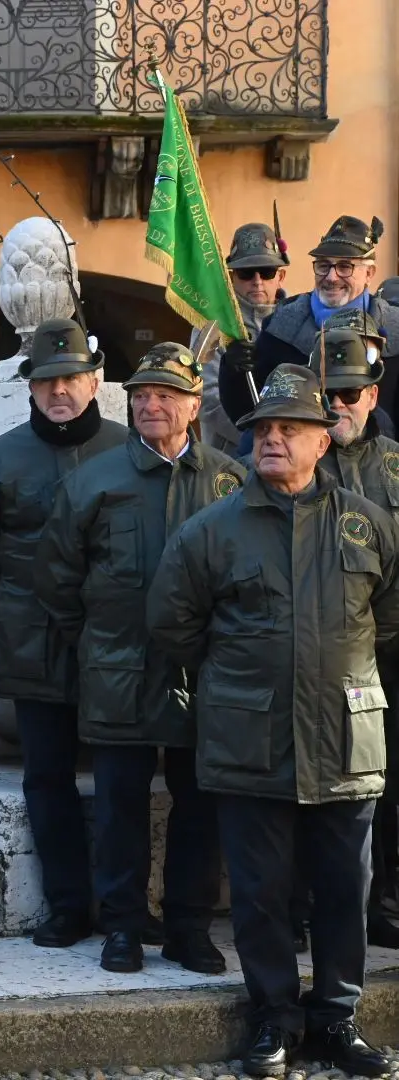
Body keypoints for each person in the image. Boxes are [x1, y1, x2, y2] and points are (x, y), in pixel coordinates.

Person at [148, 363, 399, 1079]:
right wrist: (247, 679)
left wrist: (327, 666)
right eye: (263, 429)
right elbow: (173, 626)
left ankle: (338, 1019)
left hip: (344, 740)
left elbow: (390, 617)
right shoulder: (211, 531)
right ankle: (274, 1019)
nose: (272, 441)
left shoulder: (369, 525)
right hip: (248, 738)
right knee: (260, 895)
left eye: (290, 429)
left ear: (325, 441)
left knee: (345, 891)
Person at [35, 344, 242, 975]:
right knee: (121, 804)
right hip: (118, 672)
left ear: (192, 404)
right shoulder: (94, 480)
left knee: (201, 804)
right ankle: (121, 927)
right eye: (142, 396)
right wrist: (97, 640)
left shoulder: (229, 480)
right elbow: (56, 576)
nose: (151, 405)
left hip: (205, 676)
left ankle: (189, 927)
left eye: (166, 395)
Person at [0, 317, 128, 950]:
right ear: (30, 387)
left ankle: (122, 909)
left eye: (72, 378)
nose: (61, 391)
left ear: (95, 380)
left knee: (119, 780)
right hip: (34, 642)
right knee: (47, 778)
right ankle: (67, 907)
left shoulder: (128, 451)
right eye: (48, 380)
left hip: (117, 647)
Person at [300, 310, 399, 949]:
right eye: (328, 393)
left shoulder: (396, 463)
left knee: (386, 785)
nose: (339, 405)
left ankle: (382, 900)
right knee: (317, 787)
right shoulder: (296, 458)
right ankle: (314, 905)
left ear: (373, 394)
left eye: (350, 392)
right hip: (317, 652)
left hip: (388, 651)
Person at [221, 215, 399, 439]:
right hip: (300, 467)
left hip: (379, 465)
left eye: (345, 267)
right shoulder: (281, 325)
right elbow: (248, 412)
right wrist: (232, 371)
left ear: (369, 274)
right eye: (323, 266)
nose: (331, 277)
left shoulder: (395, 328)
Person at [198, 223, 290, 455]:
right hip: (230, 458)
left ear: (281, 275)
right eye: (246, 273)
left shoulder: (298, 319)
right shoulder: (213, 326)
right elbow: (206, 399)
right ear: (232, 277)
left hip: (289, 453)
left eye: (266, 271)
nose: (257, 280)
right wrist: (258, 437)